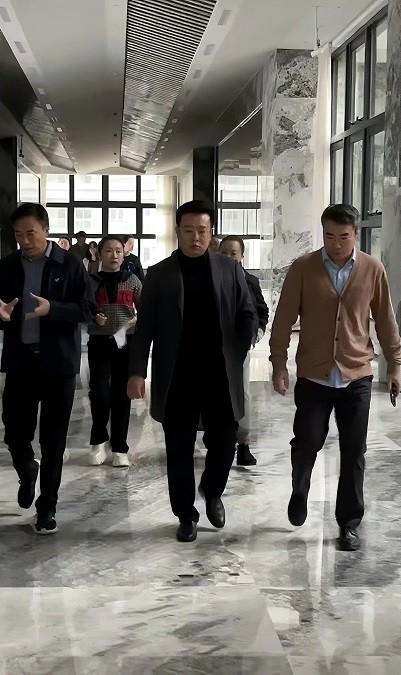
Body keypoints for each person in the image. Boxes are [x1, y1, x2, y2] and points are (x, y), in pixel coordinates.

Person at [269, 204, 401, 551]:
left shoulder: (372, 269)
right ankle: (300, 489)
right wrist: (279, 363)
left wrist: (395, 364)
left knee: (354, 451)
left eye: (344, 237)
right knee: (307, 442)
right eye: (330, 236)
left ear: (356, 234)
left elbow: (385, 320)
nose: (337, 244)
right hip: (314, 376)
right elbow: (283, 319)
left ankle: (348, 523)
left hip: (356, 375)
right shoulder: (303, 268)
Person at [128, 200, 257, 542]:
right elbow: (145, 327)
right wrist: (137, 371)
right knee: (179, 450)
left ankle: (213, 491)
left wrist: (240, 348)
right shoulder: (159, 274)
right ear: (178, 232)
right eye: (189, 230)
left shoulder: (229, 269)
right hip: (178, 376)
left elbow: (246, 312)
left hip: (220, 374)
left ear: (211, 233)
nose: (196, 237)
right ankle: (186, 515)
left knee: (226, 441)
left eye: (202, 231)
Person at [0, 203, 95, 535]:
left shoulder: (69, 264)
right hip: (20, 363)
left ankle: (47, 506)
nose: (25, 240)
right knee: (14, 432)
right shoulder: (7, 266)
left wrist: (54, 309)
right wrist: (0, 316)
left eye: (31, 233)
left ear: (45, 230)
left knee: (53, 439)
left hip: (58, 365)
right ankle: (27, 470)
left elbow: (88, 309)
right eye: (18, 234)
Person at [87, 235, 142, 468]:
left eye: (118, 251)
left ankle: (120, 447)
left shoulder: (132, 280)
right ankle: (99, 440)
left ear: (124, 254)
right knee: (99, 393)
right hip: (99, 343)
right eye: (108, 251)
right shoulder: (90, 281)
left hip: (125, 344)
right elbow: (81, 307)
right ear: (99, 254)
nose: (114, 255)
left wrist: (137, 323)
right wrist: (93, 316)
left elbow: (145, 308)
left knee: (122, 395)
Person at [219, 235, 269, 466]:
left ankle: (243, 442)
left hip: (239, 347)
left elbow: (262, 310)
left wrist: (256, 333)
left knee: (242, 393)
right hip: (213, 346)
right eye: (224, 253)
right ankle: (220, 440)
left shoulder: (250, 281)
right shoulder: (210, 278)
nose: (229, 257)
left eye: (234, 253)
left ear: (242, 256)